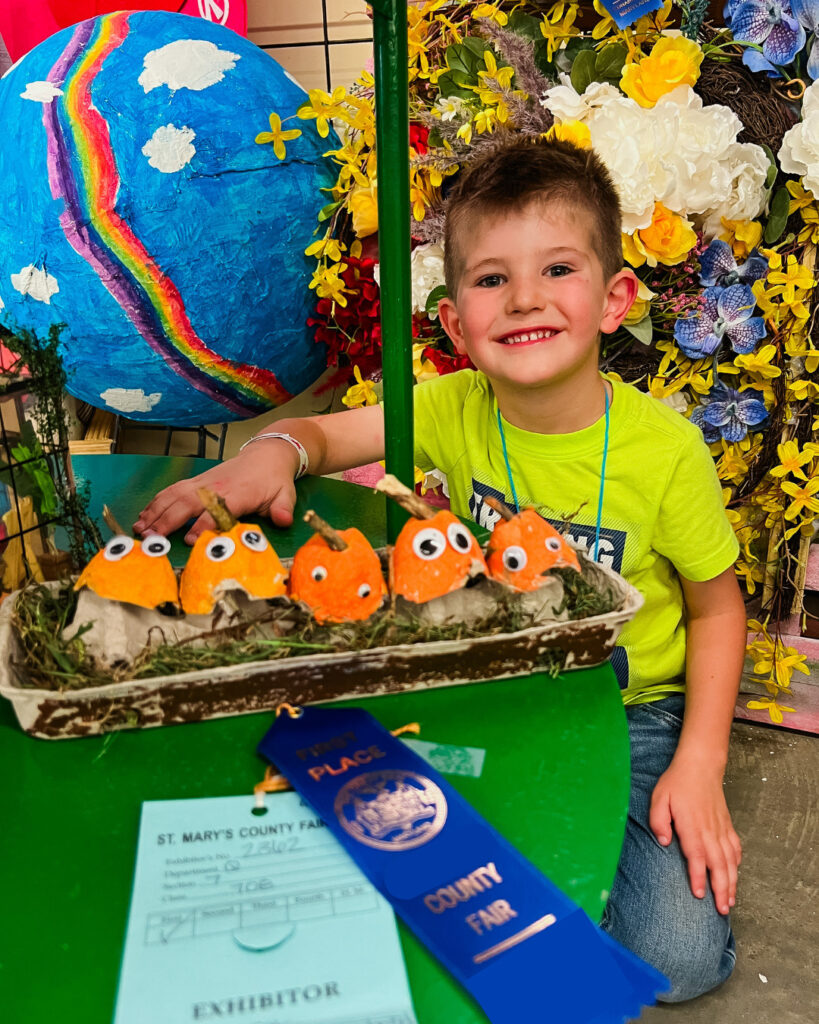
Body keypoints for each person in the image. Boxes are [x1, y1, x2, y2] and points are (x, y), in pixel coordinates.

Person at [134, 137, 745, 1002]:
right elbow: (321, 437)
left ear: (614, 299)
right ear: (456, 323)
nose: (524, 296)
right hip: (488, 684)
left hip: (636, 710)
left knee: (678, 958)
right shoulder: (452, 407)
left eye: (557, 268)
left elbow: (718, 610)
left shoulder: (665, 452)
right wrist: (272, 450)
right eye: (491, 278)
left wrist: (700, 762)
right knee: (370, 835)